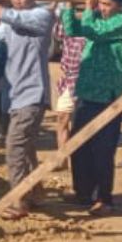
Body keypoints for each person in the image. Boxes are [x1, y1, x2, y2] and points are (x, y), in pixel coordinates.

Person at [0, 0, 54, 220]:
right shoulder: (9, 21)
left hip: (33, 92)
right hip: (15, 94)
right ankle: (37, 192)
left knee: (15, 146)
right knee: (26, 148)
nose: (17, 0)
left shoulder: (41, 16)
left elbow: (11, 16)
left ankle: (19, 200)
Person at [61, 0, 122, 215]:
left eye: (107, 4)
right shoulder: (95, 19)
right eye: (100, 3)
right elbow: (73, 30)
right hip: (87, 91)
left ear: (121, 6)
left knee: (103, 149)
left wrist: (89, 9)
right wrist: (69, 8)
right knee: (79, 145)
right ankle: (83, 192)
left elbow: (95, 31)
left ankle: (105, 197)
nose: (102, 8)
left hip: (109, 95)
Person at [52, 13, 86, 168]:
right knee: (62, 119)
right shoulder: (67, 21)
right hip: (68, 80)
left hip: (86, 80)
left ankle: (81, 161)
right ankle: (62, 158)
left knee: (82, 123)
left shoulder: (94, 22)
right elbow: (58, 35)